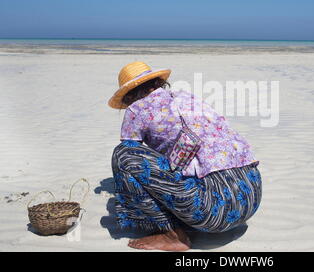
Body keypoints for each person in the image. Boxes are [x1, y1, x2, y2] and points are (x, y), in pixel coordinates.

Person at [108, 61, 262, 251]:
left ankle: (171, 234)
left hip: (213, 215)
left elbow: (132, 151)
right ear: (157, 83)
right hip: (251, 199)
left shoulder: (137, 109)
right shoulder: (188, 97)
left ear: (129, 95)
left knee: (123, 155)